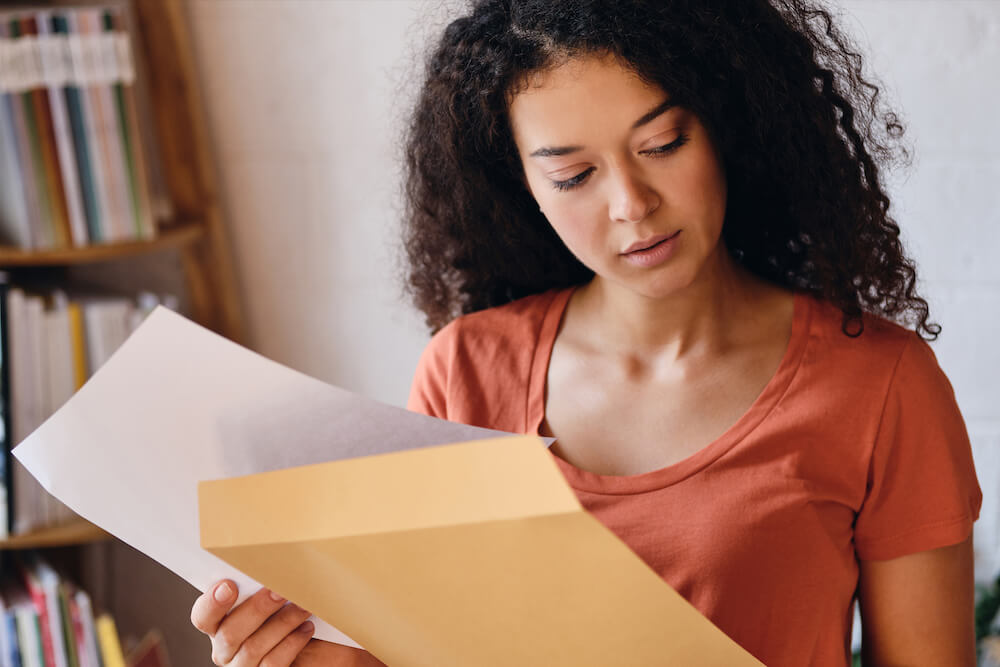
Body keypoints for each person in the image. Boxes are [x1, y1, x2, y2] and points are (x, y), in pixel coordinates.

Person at [191, 0, 983, 665]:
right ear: (522, 186)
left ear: (727, 126)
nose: (631, 204)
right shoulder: (465, 370)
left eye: (663, 143)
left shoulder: (879, 384)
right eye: (573, 175)